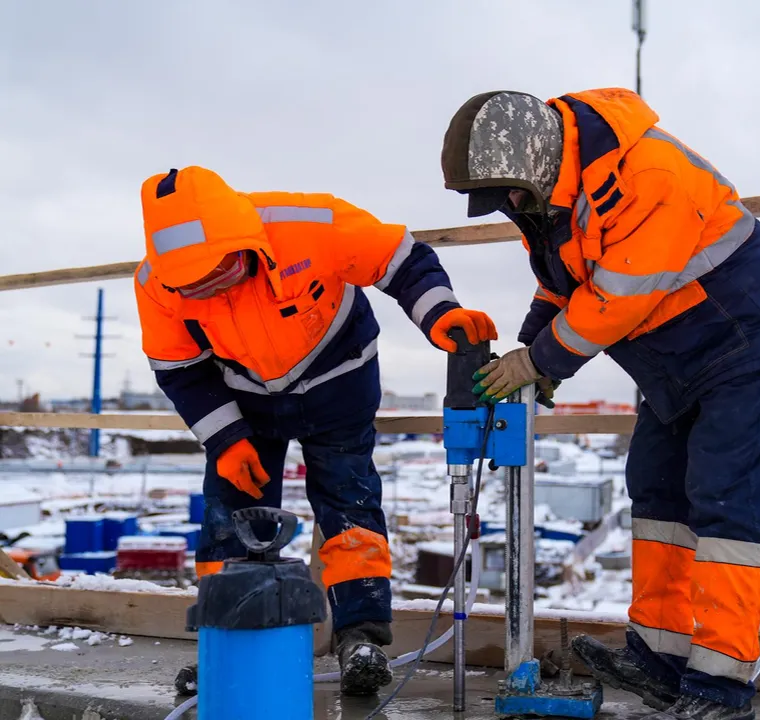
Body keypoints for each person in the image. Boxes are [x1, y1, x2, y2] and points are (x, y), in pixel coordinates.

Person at [441, 88, 760, 720]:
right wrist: (532, 355)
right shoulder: (556, 199)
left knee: (722, 502)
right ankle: (660, 658)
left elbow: (620, 294)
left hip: (737, 342)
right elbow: (563, 287)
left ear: (537, 163)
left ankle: (722, 685)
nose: (510, 209)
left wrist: (538, 363)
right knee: (656, 490)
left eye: (512, 197)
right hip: (671, 361)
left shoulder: (647, 175)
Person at [133, 165, 497, 696]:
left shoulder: (310, 223)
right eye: (196, 285)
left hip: (338, 378)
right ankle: (225, 642)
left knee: (348, 498)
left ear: (244, 239)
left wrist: (440, 313)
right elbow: (178, 369)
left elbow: (401, 259)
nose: (211, 288)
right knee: (231, 514)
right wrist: (225, 439)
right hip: (246, 397)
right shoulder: (156, 283)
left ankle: (362, 637)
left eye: (222, 272)